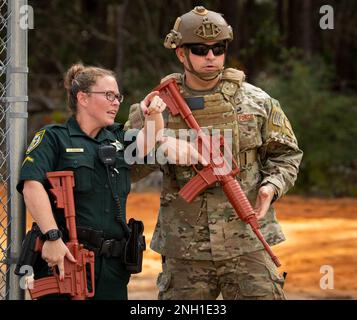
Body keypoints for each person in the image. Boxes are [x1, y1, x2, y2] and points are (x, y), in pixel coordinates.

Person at [125, 6, 303, 300]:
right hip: (185, 251)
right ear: (181, 54)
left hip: (247, 242)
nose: (211, 57)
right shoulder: (156, 106)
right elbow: (128, 169)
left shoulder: (258, 102)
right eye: (200, 49)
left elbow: (287, 155)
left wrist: (271, 187)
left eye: (218, 49)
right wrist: (162, 144)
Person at [16, 63, 167, 300]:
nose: (116, 102)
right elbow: (31, 185)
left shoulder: (117, 137)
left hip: (112, 269)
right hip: (67, 260)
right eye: (108, 95)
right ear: (83, 98)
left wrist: (154, 113)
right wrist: (52, 237)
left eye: (118, 96)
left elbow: (150, 140)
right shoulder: (54, 137)